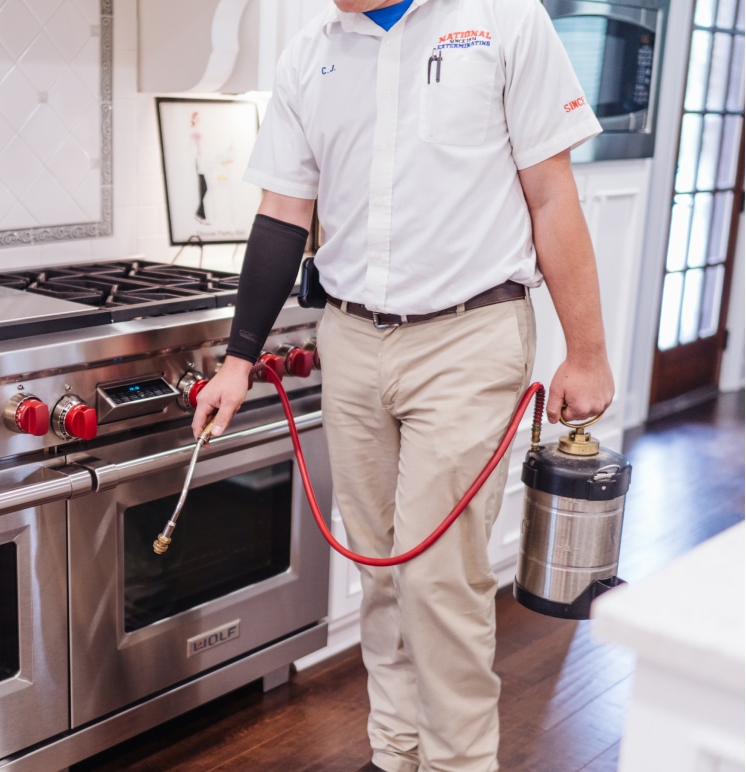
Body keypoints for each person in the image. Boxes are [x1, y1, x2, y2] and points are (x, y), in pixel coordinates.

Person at [190, 1, 615, 770]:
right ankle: (393, 751)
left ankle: (458, 762)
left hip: (468, 335)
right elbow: (283, 215)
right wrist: (237, 358)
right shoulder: (309, 54)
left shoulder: (502, 21)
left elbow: (552, 196)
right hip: (350, 339)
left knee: (437, 578)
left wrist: (585, 352)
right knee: (378, 568)